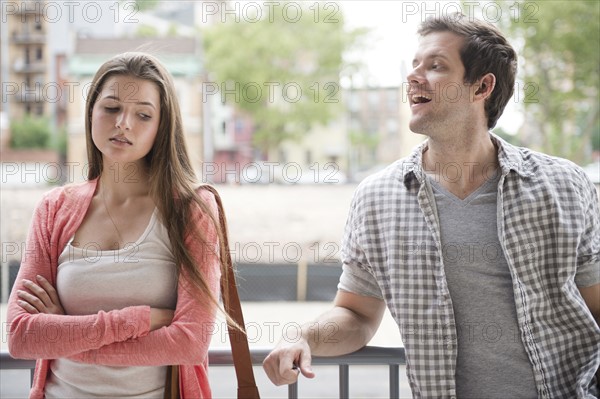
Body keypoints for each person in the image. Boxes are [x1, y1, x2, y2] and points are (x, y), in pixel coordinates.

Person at [263, 13, 600, 398]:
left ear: (481, 87)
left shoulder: (565, 185)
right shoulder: (377, 198)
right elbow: (356, 315)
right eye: (414, 65)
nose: (413, 77)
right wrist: (305, 338)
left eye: (436, 66)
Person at [7, 52, 232, 398]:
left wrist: (63, 329)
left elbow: (189, 342)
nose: (123, 123)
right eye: (111, 108)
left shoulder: (191, 211)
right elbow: (22, 336)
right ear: (91, 112)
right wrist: (141, 319)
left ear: (162, 127)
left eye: (143, 114)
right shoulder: (54, 209)